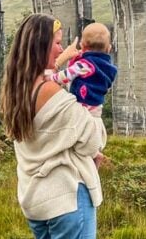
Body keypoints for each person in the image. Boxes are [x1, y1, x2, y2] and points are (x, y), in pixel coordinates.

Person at [0, 14, 105, 239]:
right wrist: (94, 105)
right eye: (58, 42)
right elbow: (93, 140)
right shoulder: (54, 95)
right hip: (67, 197)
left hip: (36, 198)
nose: (63, 49)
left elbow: (49, 72)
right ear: (41, 45)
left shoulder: (19, 86)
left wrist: (65, 60)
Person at [49, 21, 117, 159]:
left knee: (78, 146)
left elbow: (65, 76)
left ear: (82, 46)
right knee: (90, 150)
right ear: (109, 48)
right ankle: (95, 157)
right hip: (96, 113)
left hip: (82, 113)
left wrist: (50, 77)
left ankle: (93, 157)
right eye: (58, 43)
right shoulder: (107, 68)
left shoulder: (84, 65)